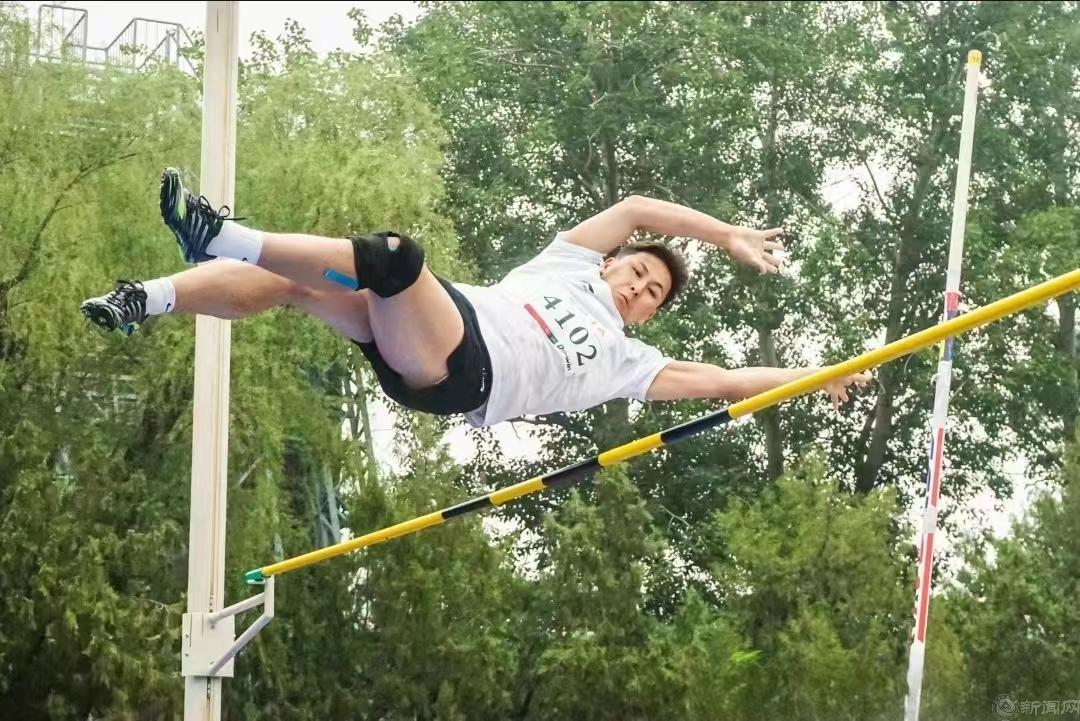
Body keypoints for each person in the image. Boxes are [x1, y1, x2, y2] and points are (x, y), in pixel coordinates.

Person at [81, 168, 869, 428]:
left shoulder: (630, 359)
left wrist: (820, 375)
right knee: (294, 283)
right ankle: (142, 299)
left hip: (467, 370)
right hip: (432, 326)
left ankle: (221, 235)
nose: (639, 285)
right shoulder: (565, 266)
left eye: (652, 293)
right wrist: (725, 233)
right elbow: (635, 209)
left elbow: (729, 381)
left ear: (649, 315)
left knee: (394, 258)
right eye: (636, 271)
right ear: (610, 265)